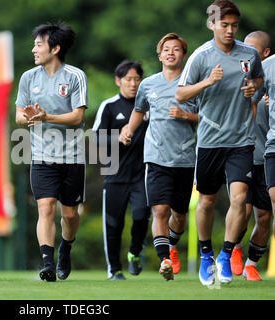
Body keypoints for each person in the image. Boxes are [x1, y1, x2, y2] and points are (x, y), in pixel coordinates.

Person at [175, 0, 264, 285]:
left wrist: (254, 87)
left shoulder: (249, 53)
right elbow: (180, 95)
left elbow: (258, 79)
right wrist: (207, 83)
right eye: (223, 25)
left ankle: (225, 255)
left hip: (241, 140)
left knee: (239, 199)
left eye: (234, 25)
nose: (229, 30)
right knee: (208, 200)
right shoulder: (201, 57)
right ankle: (205, 255)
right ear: (212, 24)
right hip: (210, 141)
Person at [120, 33, 198, 281]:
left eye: (176, 49)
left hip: (185, 158)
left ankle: (172, 246)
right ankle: (165, 259)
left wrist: (186, 116)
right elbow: (138, 110)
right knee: (160, 210)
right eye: (166, 49)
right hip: (156, 157)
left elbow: (207, 118)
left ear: (183, 55)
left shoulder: (193, 85)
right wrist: (129, 131)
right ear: (160, 55)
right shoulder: (148, 84)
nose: (171, 53)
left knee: (180, 215)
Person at [15, 22, 88, 282]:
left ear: (55, 48)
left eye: (39, 44)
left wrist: (47, 118)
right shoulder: (28, 77)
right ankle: (47, 263)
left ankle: (65, 248)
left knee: (69, 214)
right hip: (41, 156)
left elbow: (78, 117)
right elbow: (19, 116)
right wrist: (30, 117)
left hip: (72, 157)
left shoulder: (75, 76)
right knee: (45, 208)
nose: (34, 49)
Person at [92, 60, 151, 280]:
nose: (133, 83)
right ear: (118, 81)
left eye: (137, 79)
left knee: (141, 216)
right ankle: (114, 269)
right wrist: (118, 138)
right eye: (128, 79)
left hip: (141, 174)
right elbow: (95, 137)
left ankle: (134, 252)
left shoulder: (146, 107)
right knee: (113, 224)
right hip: (114, 174)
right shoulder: (109, 106)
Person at [230, 31, 272, 281]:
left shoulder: (269, 78)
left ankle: (251, 264)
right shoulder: (240, 78)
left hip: (267, 157)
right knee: (242, 210)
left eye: (252, 50)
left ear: (265, 54)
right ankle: (233, 249)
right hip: (244, 154)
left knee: (264, 216)